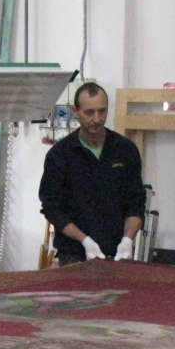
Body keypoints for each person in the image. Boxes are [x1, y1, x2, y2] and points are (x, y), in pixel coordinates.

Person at [38, 81, 146, 265]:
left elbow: (135, 203)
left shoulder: (125, 150)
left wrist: (128, 240)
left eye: (102, 111)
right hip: (74, 254)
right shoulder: (60, 155)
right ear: (76, 112)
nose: (97, 118)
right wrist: (84, 240)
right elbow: (52, 208)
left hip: (117, 253)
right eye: (89, 112)